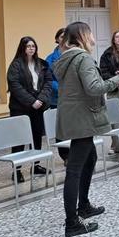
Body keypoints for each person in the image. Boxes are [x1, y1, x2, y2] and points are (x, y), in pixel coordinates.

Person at [52, 21, 119, 237]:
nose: (92, 36)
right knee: (74, 169)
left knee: (90, 157)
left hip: (74, 117)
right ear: (83, 35)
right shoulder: (82, 58)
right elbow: (94, 88)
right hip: (82, 119)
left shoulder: (66, 58)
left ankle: (83, 205)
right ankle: (72, 222)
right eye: (90, 32)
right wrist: (117, 79)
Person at [7, 36, 53, 183]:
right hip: (20, 108)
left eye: (33, 46)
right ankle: (17, 170)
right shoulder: (16, 65)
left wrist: (41, 99)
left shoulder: (42, 64)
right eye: (28, 46)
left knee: (37, 136)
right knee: (19, 138)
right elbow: (15, 86)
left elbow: (48, 82)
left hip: (38, 106)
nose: (31, 48)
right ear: (23, 48)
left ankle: (36, 165)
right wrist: (31, 101)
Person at [46, 28, 68, 164]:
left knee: (73, 127)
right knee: (61, 129)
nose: (64, 39)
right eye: (61, 37)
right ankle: (65, 156)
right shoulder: (50, 59)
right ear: (57, 39)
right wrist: (62, 89)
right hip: (57, 99)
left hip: (73, 98)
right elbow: (48, 79)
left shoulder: (73, 54)